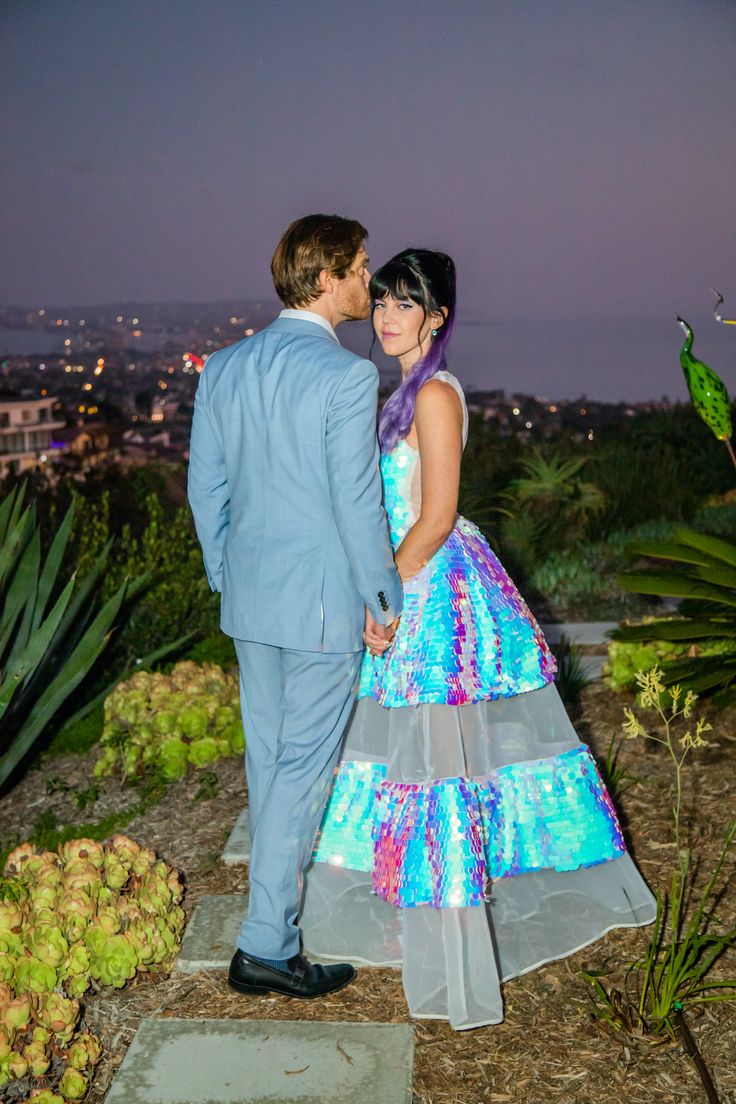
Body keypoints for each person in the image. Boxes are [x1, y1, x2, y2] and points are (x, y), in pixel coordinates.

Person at [300, 248, 656, 1030]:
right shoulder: (411, 390)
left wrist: (383, 599)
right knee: (425, 771)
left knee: (439, 774)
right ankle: (435, 931)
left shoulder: (431, 396)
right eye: (383, 302)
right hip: (419, 580)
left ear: (438, 317)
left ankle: (457, 965)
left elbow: (432, 517)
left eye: (405, 305)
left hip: (429, 594)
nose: (388, 317)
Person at [187, 214, 403, 1001]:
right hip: (318, 610)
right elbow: (357, 504)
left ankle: (270, 929)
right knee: (298, 775)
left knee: (268, 764)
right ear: (325, 279)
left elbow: (205, 488)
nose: (369, 284)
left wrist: (225, 574)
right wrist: (382, 598)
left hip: (250, 601)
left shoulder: (224, 366)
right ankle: (266, 946)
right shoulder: (345, 376)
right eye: (361, 269)